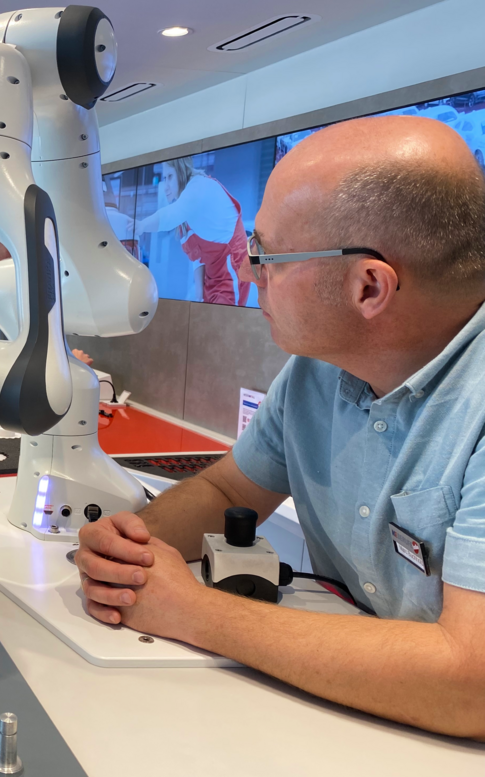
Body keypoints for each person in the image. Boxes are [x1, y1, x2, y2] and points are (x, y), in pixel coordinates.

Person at [75, 115, 485, 739]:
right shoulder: (315, 374)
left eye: (266, 256)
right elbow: (230, 494)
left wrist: (194, 613)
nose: (247, 274)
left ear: (368, 286)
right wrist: (132, 552)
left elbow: (470, 681)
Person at [137, 156, 250, 306]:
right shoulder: (185, 214)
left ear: (182, 171)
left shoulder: (199, 187)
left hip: (232, 274)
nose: (165, 186)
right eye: (164, 178)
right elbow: (198, 259)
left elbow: (169, 216)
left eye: (170, 176)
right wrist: (199, 297)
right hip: (210, 279)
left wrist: (142, 225)